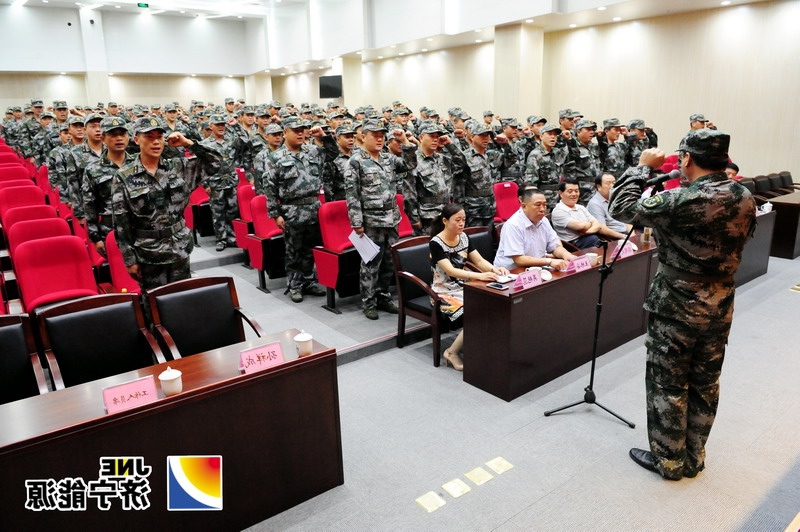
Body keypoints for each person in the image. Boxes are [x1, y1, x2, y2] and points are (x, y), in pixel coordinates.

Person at [609, 130, 756, 481]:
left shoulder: (681, 199)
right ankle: (694, 457)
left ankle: (669, 461)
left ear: (687, 158)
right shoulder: (744, 195)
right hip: (720, 303)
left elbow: (622, 207)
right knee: (705, 383)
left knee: (669, 383)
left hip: (677, 305)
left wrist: (642, 167)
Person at [112, 117, 221, 291]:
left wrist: (189, 143)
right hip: (149, 252)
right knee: (153, 301)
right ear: (136, 140)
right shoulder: (124, 176)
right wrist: (130, 260)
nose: (156, 142)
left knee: (182, 297)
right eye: (149, 137)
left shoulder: (179, 167)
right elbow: (121, 222)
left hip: (179, 247)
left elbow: (216, 162)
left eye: (159, 137)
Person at [345, 120, 416, 320]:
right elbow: (352, 194)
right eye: (374, 135)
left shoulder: (389, 158)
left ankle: (383, 296)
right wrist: (357, 222)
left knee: (388, 262)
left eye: (382, 135)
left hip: (391, 219)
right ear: (363, 136)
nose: (379, 139)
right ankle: (368, 302)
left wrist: (405, 142)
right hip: (371, 221)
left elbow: (410, 165)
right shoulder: (356, 161)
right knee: (370, 263)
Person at [262, 116, 338, 303]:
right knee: (293, 251)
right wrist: (275, 214)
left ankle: (309, 281)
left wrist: (324, 136)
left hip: (313, 208)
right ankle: (295, 285)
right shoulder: (275, 158)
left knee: (311, 249)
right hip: (291, 209)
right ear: (285, 133)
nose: (300, 134)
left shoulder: (313, 151)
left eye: (302, 130)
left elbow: (333, 153)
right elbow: (269, 189)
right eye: (295, 130)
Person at [429, 204, 509, 371]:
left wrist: (494, 269)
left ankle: (485, 346)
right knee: (477, 313)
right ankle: (451, 352)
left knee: (493, 304)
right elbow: (450, 271)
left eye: (463, 220)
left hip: (464, 285)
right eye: (457, 220)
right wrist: (480, 276)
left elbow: (479, 261)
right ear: (445, 221)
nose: (461, 224)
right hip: (444, 291)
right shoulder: (436, 243)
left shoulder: (464, 237)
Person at [82, 117, 134, 257]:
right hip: (110, 230)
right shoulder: (93, 169)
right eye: (113, 134)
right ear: (103, 138)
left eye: (122, 134)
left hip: (140, 230)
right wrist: (95, 237)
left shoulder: (138, 163)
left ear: (128, 137)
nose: (119, 138)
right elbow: (89, 205)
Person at [494, 187, 577, 271]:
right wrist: (549, 261)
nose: (542, 209)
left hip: (537, 267)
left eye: (544, 205)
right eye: (538, 205)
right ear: (524, 206)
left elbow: (555, 246)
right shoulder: (513, 225)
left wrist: (566, 254)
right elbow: (519, 259)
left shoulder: (543, 221)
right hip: (512, 272)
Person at [551, 178, 625, 249]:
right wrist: (592, 225)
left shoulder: (580, 207)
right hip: (575, 244)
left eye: (576, 191)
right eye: (570, 191)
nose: (574, 194)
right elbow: (582, 226)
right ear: (560, 193)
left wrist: (588, 231)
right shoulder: (558, 211)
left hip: (591, 237)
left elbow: (598, 224)